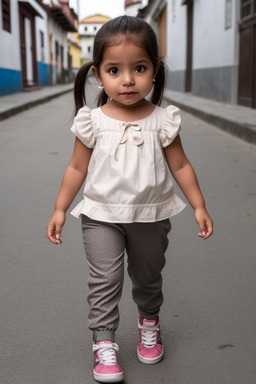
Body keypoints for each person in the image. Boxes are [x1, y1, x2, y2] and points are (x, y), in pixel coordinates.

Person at [47, 15, 213, 384]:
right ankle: (104, 343)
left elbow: (181, 165)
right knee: (104, 279)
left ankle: (149, 321)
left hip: (152, 216)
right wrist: (60, 208)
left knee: (147, 276)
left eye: (139, 68)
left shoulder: (162, 120)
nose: (127, 79)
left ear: (154, 69)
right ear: (97, 74)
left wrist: (198, 204)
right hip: (101, 215)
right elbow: (76, 168)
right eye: (114, 69)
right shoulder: (92, 121)